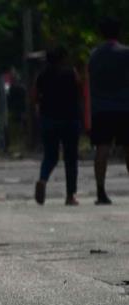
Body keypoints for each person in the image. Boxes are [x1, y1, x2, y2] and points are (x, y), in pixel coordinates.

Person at [34, 46, 82, 206]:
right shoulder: (71, 72)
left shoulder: (42, 75)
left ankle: (43, 179)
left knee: (50, 156)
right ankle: (70, 196)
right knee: (70, 158)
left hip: (49, 119)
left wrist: (39, 109)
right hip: (69, 119)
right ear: (63, 58)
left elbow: (34, 96)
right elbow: (80, 89)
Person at [88, 16, 129, 205]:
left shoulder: (94, 55)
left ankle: (100, 191)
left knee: (102, 148)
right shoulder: (126, 53)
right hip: (124, 107)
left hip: (101, 108)